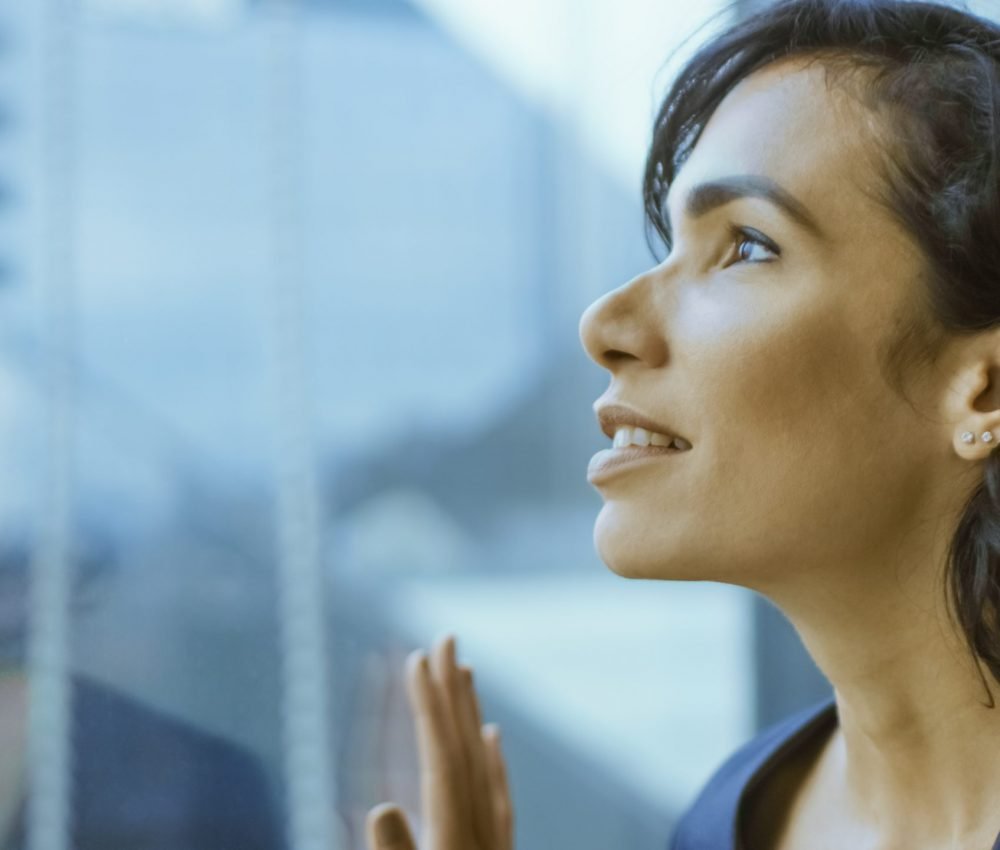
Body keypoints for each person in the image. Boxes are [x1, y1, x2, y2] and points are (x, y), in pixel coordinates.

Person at [364, 0, 1000, 847]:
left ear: (985, 390)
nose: (605, 323)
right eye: (669, 244)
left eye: (746, 245)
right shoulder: (724, 822)